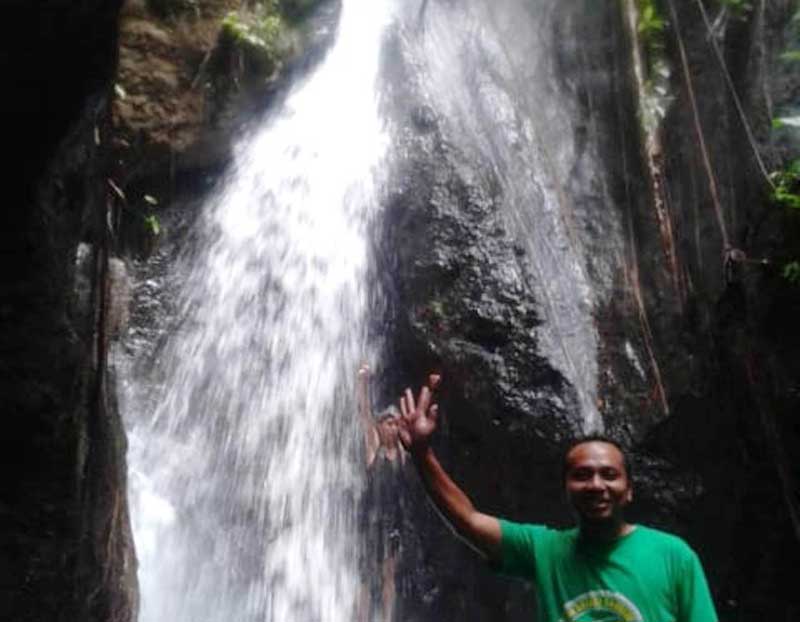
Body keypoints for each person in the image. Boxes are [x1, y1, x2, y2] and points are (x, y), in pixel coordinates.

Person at [397, 374, 719, 622]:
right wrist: (423, 454)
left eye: (609, 474)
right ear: (565, 488)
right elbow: (467, 520)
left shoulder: (673, 556)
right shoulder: (544, 550)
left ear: (629, 489)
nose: (596, 485)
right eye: (582, 475)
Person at [356, 365, 406, 622]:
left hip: (393, 522)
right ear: (380, 426)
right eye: (388, 423)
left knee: (389, 575)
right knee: (366, 575)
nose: (392, 428)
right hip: (371, 521)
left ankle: (387, 619)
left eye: (396, 424)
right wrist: (363, 383)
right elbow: (365, 413)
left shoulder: (403, 455)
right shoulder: (373, 448)